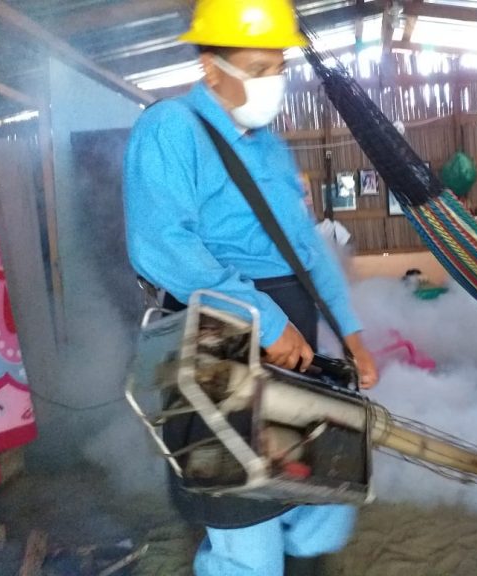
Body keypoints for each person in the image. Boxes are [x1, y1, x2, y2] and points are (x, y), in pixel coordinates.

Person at [122, 0, 378, 574]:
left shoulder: (270, 146)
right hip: (222, 344)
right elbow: (162, 245)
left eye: (279, 66)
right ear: (210, 68)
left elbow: (307, 251)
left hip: (291, 349)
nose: (273, 81)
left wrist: (351, 333)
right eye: (258, 68)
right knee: (247, 531)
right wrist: (263, 318)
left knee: (324, 498)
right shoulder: (171, 129)